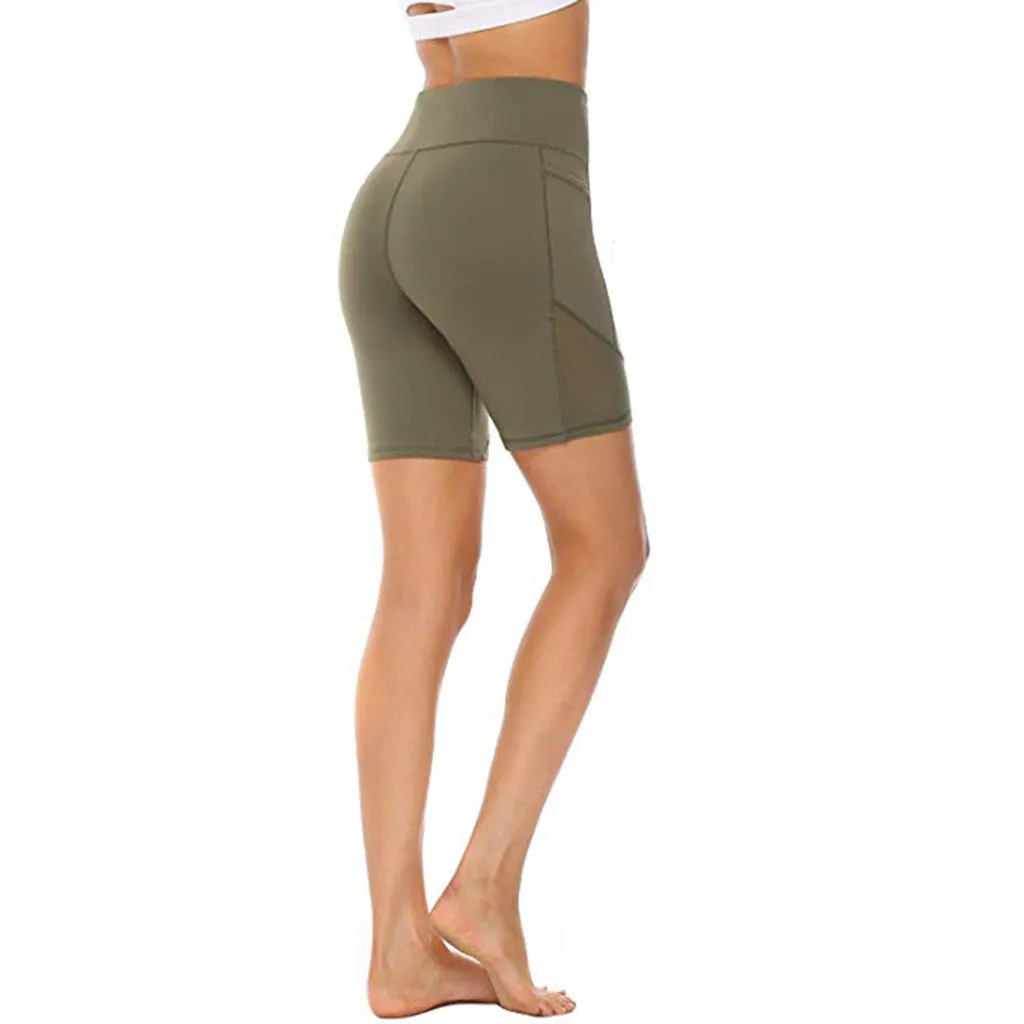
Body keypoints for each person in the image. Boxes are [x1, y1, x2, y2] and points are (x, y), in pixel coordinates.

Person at [338, 1, 649, 1016]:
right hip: (507, 191)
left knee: (420, 590)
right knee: (604, 548)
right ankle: (483, 883)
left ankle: (400, 951)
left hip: (399, 191)